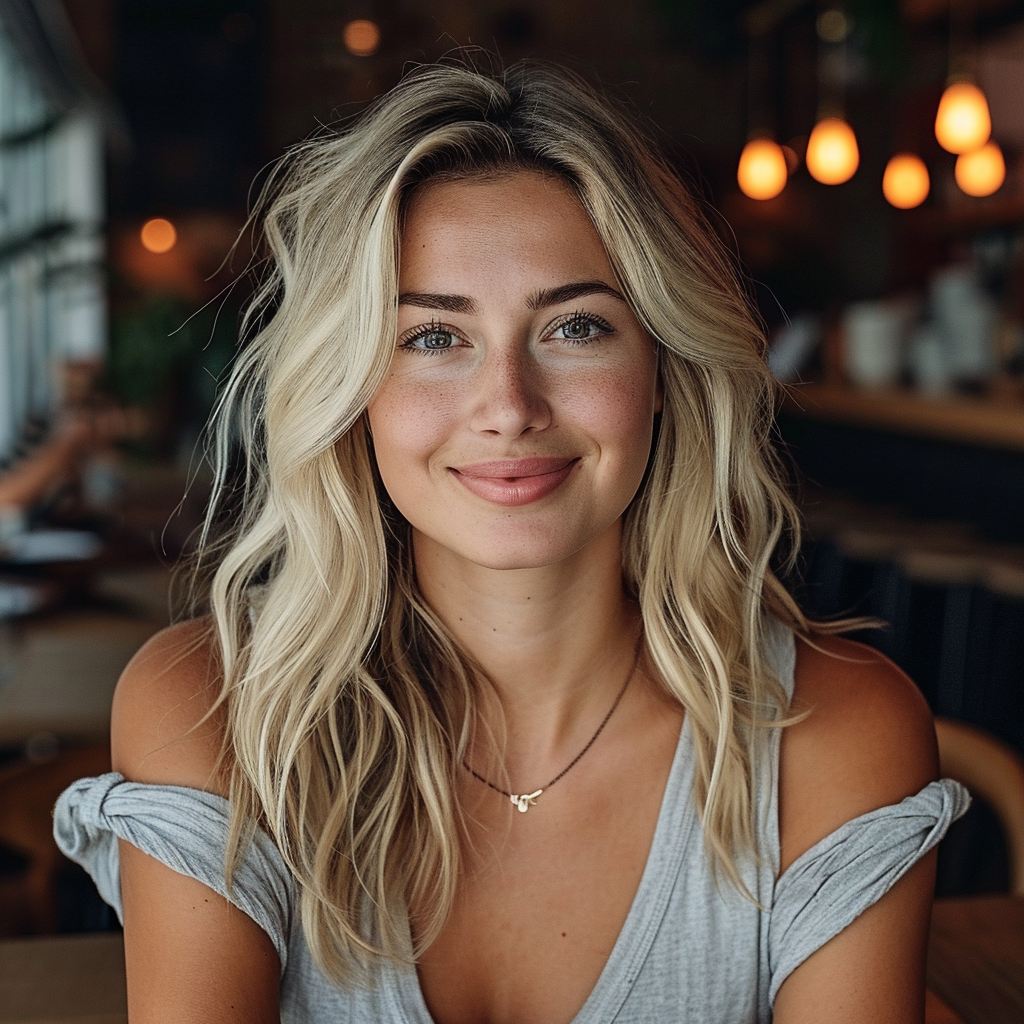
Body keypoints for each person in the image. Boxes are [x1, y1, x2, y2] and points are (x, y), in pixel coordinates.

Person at [55, 59, 968, 1023]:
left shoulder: (831, 737)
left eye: (575, 327)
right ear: (349, 391)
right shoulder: (212, 716)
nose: (509, 407)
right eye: (433, 338)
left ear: (666, 368)